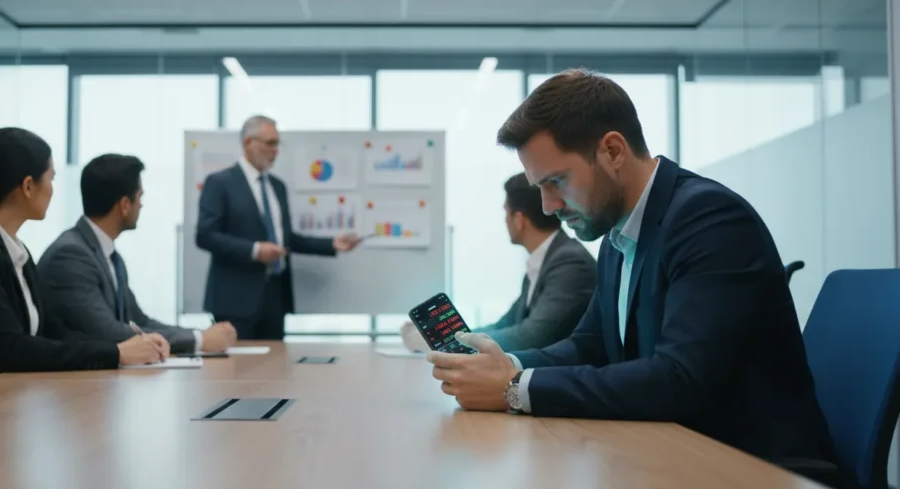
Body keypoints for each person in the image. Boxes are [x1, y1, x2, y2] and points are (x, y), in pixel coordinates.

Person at [426, 69, 835, 464]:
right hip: (670, 454)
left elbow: (680, 379)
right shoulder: (618, 235)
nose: (548, 207)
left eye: (556, 181)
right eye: (540, 189)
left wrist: (513, 389)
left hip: (751, 472)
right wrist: (506, 367)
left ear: (613, 151)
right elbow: (590, 344)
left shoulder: (709, 220)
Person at [0, 128, 166, 390]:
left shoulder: (14, 250)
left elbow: (55, 332)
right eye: (50, 179)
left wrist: (118, 350)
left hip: (2, 397)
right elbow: (10, 348)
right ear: (29, 186)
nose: (52, 190)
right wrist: (116, 354)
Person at [38, 154, 237, 355]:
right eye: (140, 197)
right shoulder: (70, 256)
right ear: (125, 205)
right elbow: (107, 331)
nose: (141, 205)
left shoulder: (109, 255)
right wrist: (199, 340)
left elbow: (140, 321)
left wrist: (198, 334)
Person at [196, 115, 361, 340]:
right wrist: (255, 250)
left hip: (275, 296)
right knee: (235, 372)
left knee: (275, 370)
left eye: (277, 144)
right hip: (234, 299)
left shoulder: (277, 186)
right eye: (270, 143)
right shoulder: (220, 183)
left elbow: (285, 240)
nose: (276, 151)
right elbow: (205, 235)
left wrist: (332, 244)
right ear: (248, 143)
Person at [400, 172, 596, 352]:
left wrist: (443, 344)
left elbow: (531, 337)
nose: (505, 221)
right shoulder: (546, 258)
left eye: (506, 214)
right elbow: (504, 325)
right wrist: (442, 336)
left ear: (519, 220)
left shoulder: (569, 262)